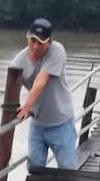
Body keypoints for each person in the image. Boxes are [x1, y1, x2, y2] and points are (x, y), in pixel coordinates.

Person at [11, 18, 77, 170]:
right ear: (27, 37)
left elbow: (41, 81)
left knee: (68, 170)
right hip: (38, 123)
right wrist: (15, 111)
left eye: (40, 42)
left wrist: (26, 107)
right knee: (34, 168)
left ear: (49, 42)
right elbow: (11, 88)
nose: (35, 46)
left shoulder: (57, 51)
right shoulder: (18, 62)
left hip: (61, 123)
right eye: (32, 40)